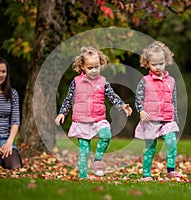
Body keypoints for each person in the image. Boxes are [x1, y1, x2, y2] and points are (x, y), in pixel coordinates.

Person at [55, 46, 132, 179]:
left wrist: (122, 106)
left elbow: (112, 96)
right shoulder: (76, 82)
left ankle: (97, 160)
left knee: (106, 135)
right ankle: (83, 176)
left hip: (98, 119)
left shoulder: (103, 82)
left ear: (100, 64)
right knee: (84, 150)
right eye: (90, 68)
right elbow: (68, 99)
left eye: (97, 67)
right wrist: (62, 113)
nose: (94, 70)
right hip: (81, 121)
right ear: (82, 67)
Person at [135, 41, 183, 181]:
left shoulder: (171, 81)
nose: (158, 67)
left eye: (161, 63)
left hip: (167, 119)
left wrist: (175, 119)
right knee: (150, 148)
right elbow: (138, 97)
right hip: (151, 120)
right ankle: (146, 175)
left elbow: (173, 100)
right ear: (147, 63)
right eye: (154, 64)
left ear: (166, 62)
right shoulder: (144, 81)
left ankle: (170, 170)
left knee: (171, 142)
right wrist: (141, 111)